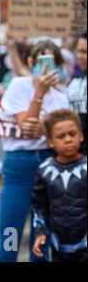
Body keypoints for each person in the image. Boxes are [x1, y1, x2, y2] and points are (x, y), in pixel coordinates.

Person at [0, 40, 70, 262]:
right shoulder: (19, 85)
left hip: (49, 163)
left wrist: (44, 131)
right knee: (10, 228)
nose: (46, 68)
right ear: (30, 62)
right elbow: (27, 127)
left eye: (52, 62)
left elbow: (57, 137)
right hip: (19, 163)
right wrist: (38, 95)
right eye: (40, 62)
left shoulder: (61, 97)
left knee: (42, 230)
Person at [32, 109, 86, 262]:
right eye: (61, 136)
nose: (68, 139)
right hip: (58, 246)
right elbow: (39, 206)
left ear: (81, 136)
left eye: (72, 134)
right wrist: (40, 232)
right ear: (50, 141)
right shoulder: (44, 170)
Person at [67, 33, 87, 155]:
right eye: (78, 51)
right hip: (76, 154)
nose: (80, 56)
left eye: (85, 52)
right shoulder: (75, 79)